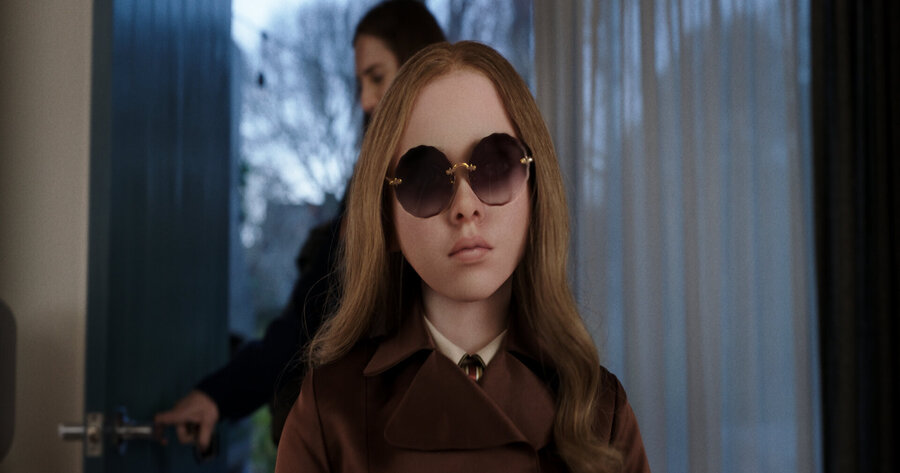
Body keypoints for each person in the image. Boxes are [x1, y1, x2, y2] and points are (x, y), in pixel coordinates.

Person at [275, 41, 650, 473]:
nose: (465, 206)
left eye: (496, 166)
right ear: (386, 220)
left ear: (535, 194)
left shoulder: (600, 412)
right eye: (424, 178)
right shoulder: (329, 412)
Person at [154, 0, 446, 452]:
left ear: (417, 69)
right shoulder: (367, 190)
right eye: (360, 83)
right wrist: (217, 397)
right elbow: (306, 321)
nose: (365, 101)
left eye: (377, 77)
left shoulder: (456, 192)